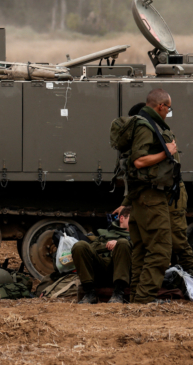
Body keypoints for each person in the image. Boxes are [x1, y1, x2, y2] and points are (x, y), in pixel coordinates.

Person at [112, 88, 179, 304]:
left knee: (141, 250)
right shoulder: (145, 126)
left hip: (142, 196)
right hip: (150, 197)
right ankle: (145, 297)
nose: (168, 112)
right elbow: (139, 161)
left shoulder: (147, 124)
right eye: (168, 108)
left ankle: (138, 297)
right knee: (160, 250)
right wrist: (167, 152)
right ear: (160, 106)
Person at [73, 208, 131, 304]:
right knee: (79, 246)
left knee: (123, 243)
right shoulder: (105, 233)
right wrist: (107, 245)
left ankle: (118, 293)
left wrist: (118, 244)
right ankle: (89, 292)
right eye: (132, 219)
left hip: (123, 270)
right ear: (122, 218)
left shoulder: (137, 236)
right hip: (101, 267)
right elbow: (92, 247)